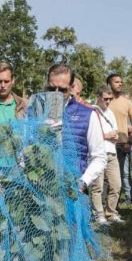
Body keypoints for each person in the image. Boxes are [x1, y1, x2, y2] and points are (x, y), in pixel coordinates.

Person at [57, 64, 107, 192]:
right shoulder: (37, 113)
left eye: (61, 89)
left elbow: (99, 157)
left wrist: (83, 182)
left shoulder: (88, 114)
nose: (56, 94)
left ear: (71, 87)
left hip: (74, 190)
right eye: (51, 88)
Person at [89, 86, 122, 224]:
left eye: (110, 99)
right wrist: (105, 135)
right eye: (105, 99)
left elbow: (115, 130)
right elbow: (91, 133)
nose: (108, 102)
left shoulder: (110, 113)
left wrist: (114, 136)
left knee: (116, 184)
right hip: (98, 153)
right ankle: (99, 214)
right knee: (98, 187)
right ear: (99, 97)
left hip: (112, 152)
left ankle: (111, 212)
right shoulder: (93, 111)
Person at [107, 73, 132, 204]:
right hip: (107, 145)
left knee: (124, 174)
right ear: (109, 84)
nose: (120, 84)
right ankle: (108, 204)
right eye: (116, 82)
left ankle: (127, 199)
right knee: (107, 177)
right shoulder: (104, 101)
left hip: (123, 145)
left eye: (121, 81)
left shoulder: (127, 102)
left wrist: (130, 142)